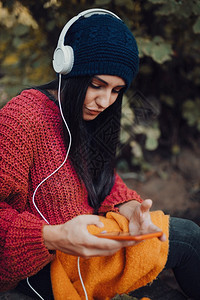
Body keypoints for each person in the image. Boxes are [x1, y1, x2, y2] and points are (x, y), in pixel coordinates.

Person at [0, 8, 199, 300]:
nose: (105, 101)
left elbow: (101, 177)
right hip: (44, 269)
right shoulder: (22, 117)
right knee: (190, 238)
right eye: (97, 85)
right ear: (67, 67)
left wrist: (128, 206)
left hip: (90, 251)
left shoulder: (91, 116)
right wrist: (54, 237)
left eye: (117, 91)